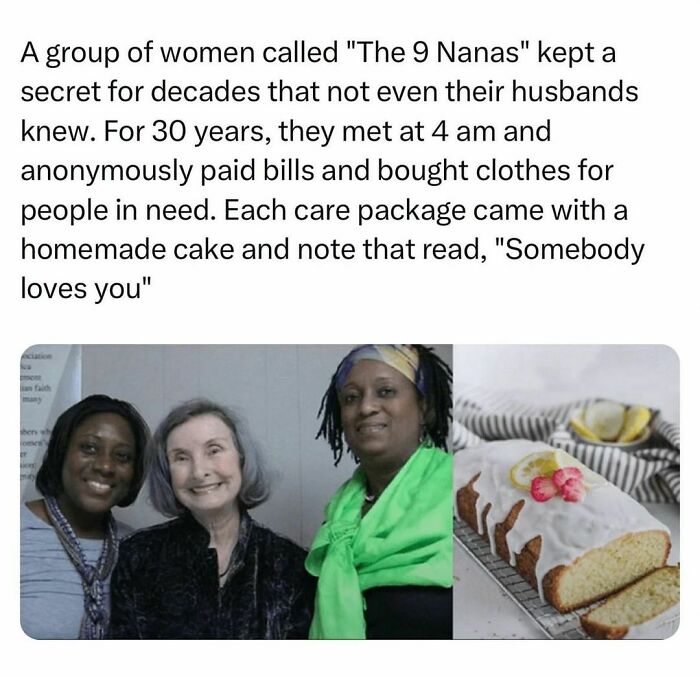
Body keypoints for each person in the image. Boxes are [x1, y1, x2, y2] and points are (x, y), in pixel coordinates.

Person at [109, 399, 315, 639]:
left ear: (241, 457)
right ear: (167, 473)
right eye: (181, 458)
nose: (199, 471)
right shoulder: (135, 557)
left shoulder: (290, 564)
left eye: (214, 450)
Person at [306, 344, 453, 639]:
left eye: (385, 391)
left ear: (425, 408)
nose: (366, 407)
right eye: (351, 398)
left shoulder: (465, 495)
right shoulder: (337, 521)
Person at [21, 394, 150, 639]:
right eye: (89, 448)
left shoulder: (139, 549)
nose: (105, 466)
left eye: (122, 456)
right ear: (61, 453)